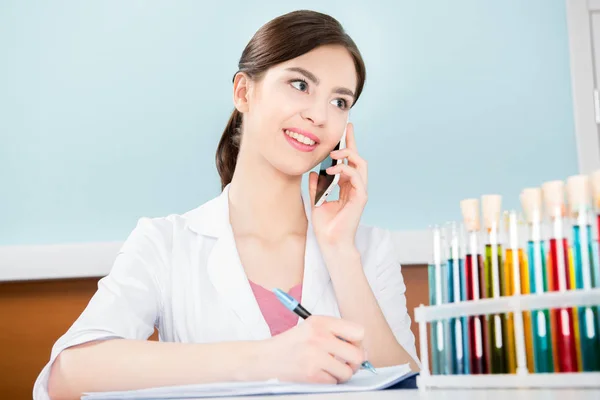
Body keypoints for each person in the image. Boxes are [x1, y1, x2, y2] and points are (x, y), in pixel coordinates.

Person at [34, 9, 420, 400]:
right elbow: (68, 375)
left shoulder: (367, 250)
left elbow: (409, 389)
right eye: (300, 84)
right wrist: (269, 359)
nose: (318, 115)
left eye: (339, 101)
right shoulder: (166, 243)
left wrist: (339, 250)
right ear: (243, 92)